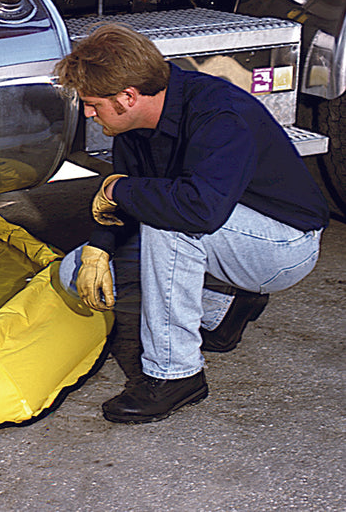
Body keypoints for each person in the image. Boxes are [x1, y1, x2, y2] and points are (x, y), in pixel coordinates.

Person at [54, 23, 329, 423]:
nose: (90, 114)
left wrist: (117, 190)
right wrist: (100, 245)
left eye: (93, 104)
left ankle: (176, 374)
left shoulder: (218, 113)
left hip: (284, 246)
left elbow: (197, 210)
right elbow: (133, 201)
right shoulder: (131, 124)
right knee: (74, 274)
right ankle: (225, 308)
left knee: (172, 223)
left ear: (128, 96)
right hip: (224, 234)